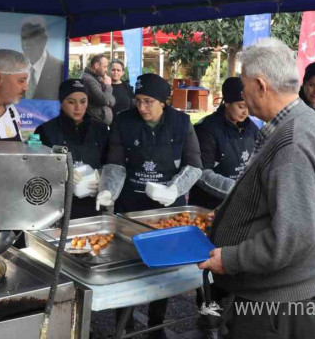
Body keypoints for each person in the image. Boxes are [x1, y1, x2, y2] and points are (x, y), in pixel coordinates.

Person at [200, 38, 315, 339]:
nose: (243, 93)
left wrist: (231, 259)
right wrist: (228, 215)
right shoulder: (300, 122)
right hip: (281, 300)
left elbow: (294, 236)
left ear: (261, 85)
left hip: (276, 308)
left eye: (244, 84)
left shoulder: (294, 140)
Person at [98, 73, 202, 338]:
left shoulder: (181, 123)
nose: (142, 107)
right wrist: (108, 191)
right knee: (127, 267)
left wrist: (175, 190)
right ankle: (125, 325)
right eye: (138, 101)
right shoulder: (124, 121)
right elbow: (115, 163)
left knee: (163, 268)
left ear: (163, 102)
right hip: (131, 205)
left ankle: (157, 325)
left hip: (167, 209)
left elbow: (194, 165)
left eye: (148, 102)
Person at [35, 79, 109, 219]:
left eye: (83, 101)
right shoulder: (44, 131)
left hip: (91, 204)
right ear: (61, 101)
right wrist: (59, 173)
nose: (78, 108)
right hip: (56, 207)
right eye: (71, 102)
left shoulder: (101, 129)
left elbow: (110, 162)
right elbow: (34, 166)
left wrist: (102, 180)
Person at [191, 77, 258, 209]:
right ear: (226, 103)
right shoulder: (207, 128)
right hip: (209, 204)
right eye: (241, 106)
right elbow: (202, 173)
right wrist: (235, 189)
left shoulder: (252, 129)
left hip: (240, 204)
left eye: (248, 107)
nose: (246, 112)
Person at [20, 16, 63, 100]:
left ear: (44, 40)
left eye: (31, 37)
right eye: (23, 37)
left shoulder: (60, 67)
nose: (26, 43)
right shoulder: (13, 67)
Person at [81, 54, 116, 126]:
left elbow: (112, 100)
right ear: (96, 65)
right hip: (93, 124)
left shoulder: (97, 78)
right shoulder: (87, 79)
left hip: (101, 124)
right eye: (105, 67)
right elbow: (104, 100)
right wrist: (108, 86)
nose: (106, 70)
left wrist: (108, 100)